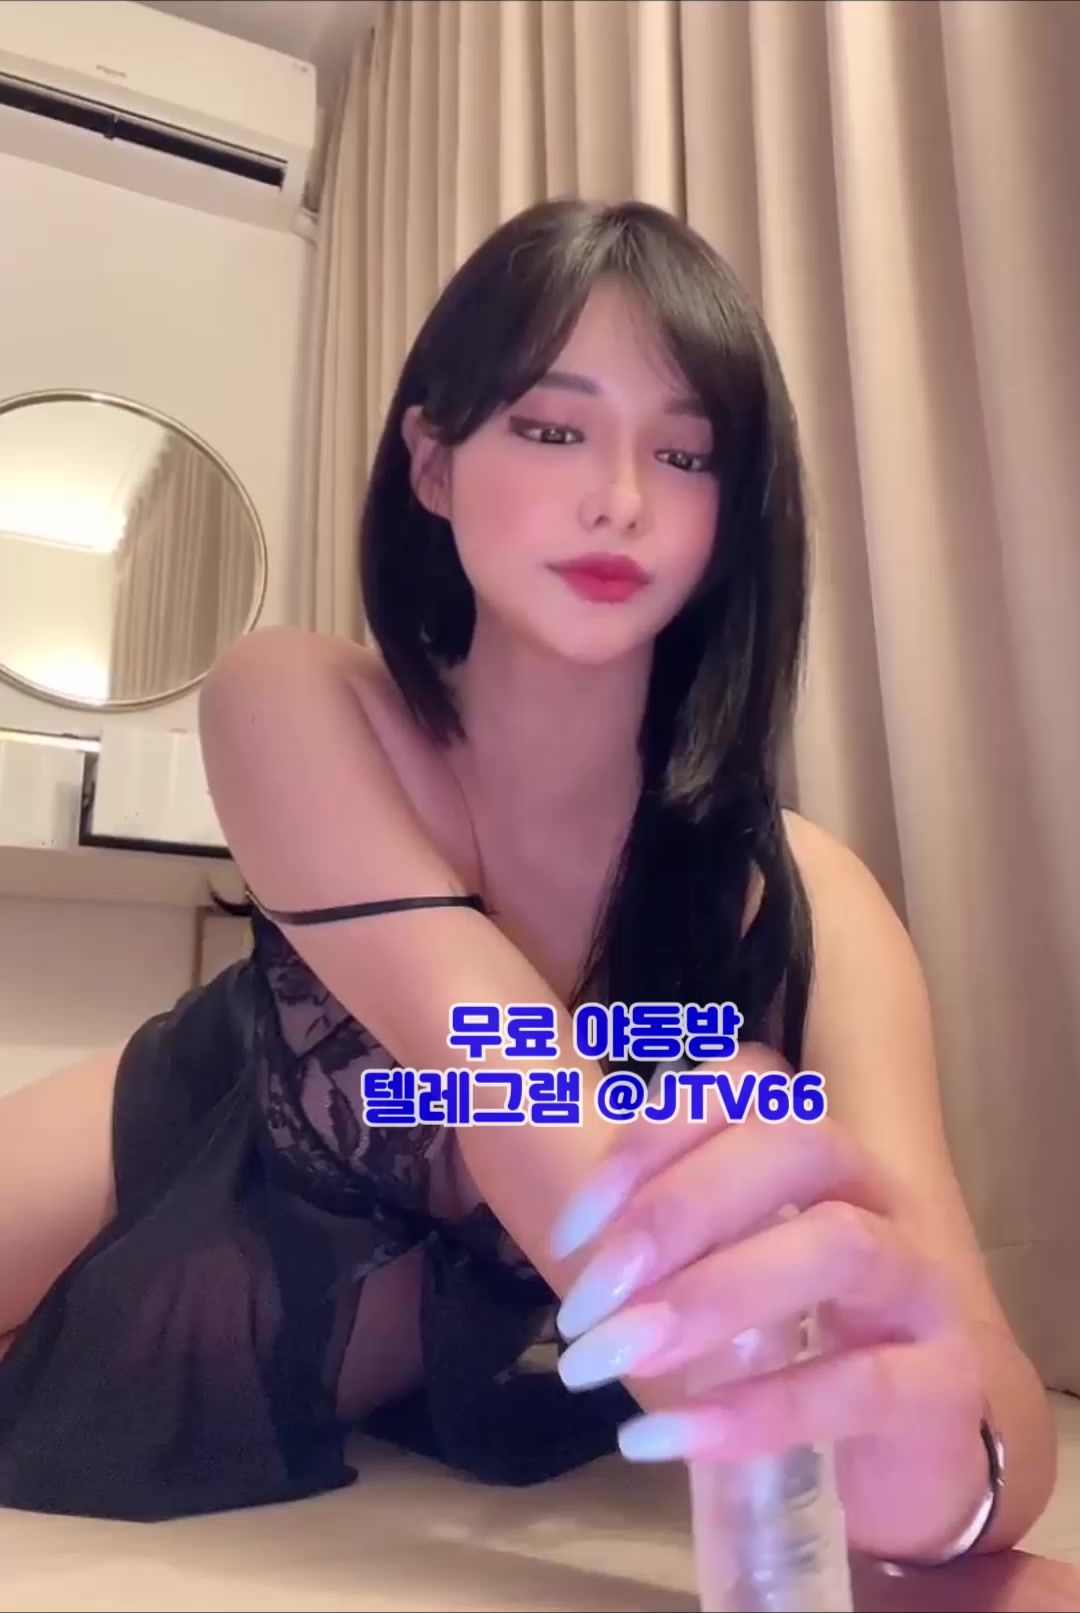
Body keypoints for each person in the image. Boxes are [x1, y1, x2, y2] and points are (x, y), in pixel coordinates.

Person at [0, 199, 1054, 1558]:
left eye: (686, 454)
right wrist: (747, 1390)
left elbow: (983, 1400)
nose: (621, 497)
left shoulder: (810, 902)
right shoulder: (298, 697)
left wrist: (936, 1467)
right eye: (554, 429)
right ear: (432, 462)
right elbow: (506, 1087)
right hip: (213, 1117)